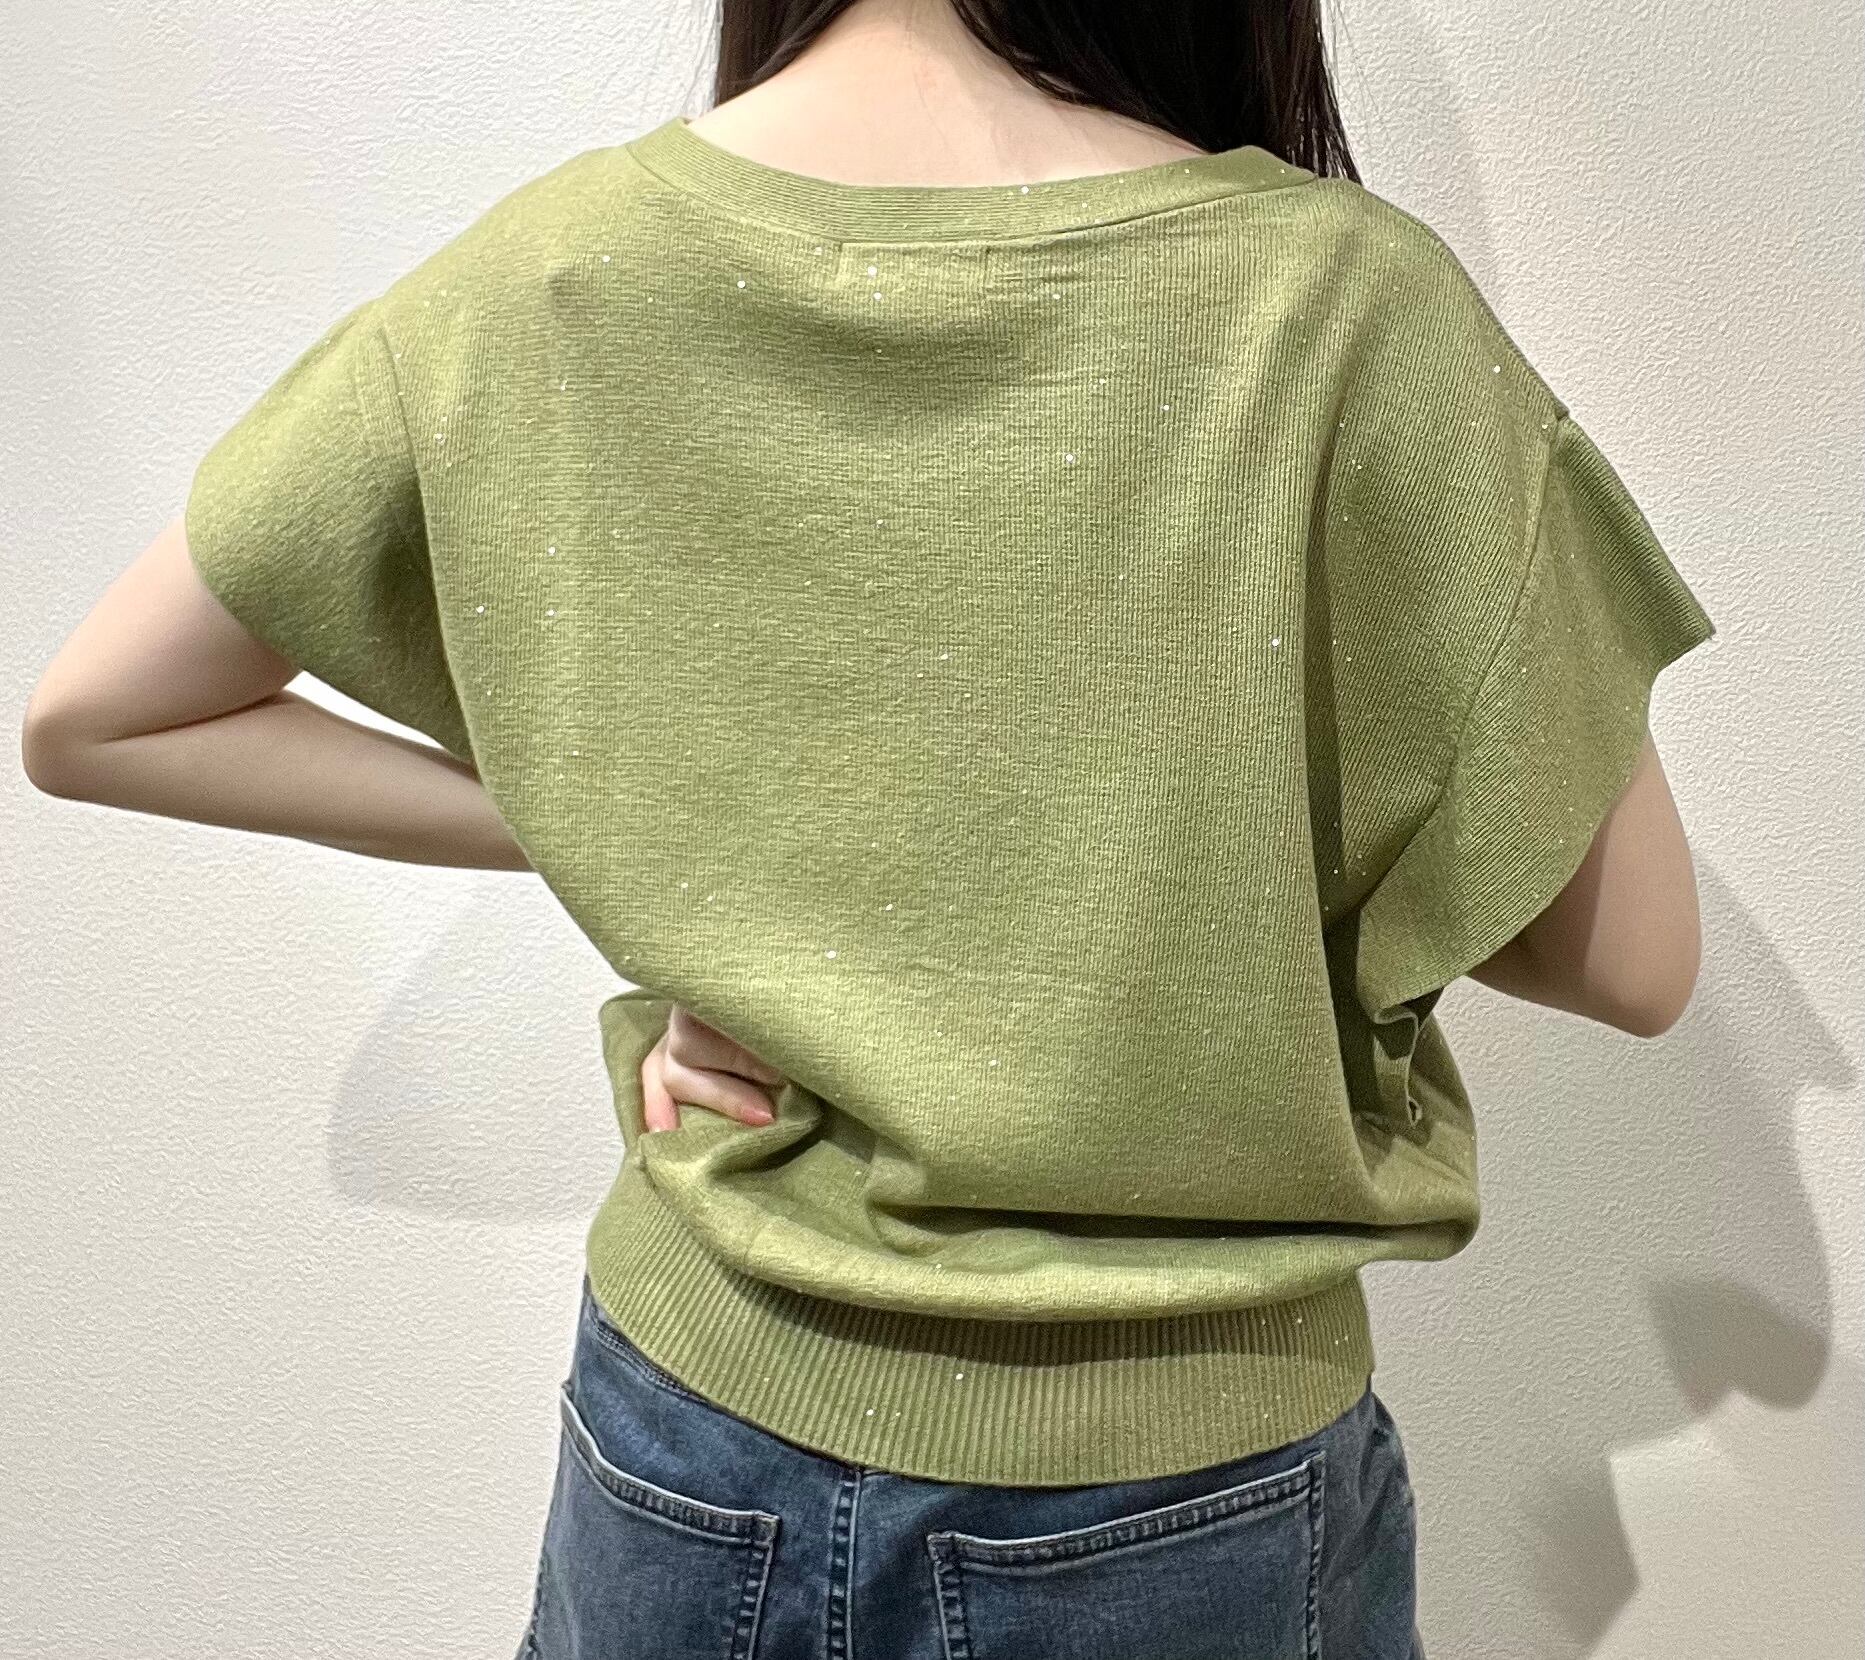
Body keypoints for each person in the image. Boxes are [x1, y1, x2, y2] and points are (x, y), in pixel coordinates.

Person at [21, 0, 1719, 1654]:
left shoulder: (553, 269)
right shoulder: (1348, 305)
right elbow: (1631, 963)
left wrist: (651, 829)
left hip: (689, 1429)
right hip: (1176, 1478)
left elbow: (100, 717)